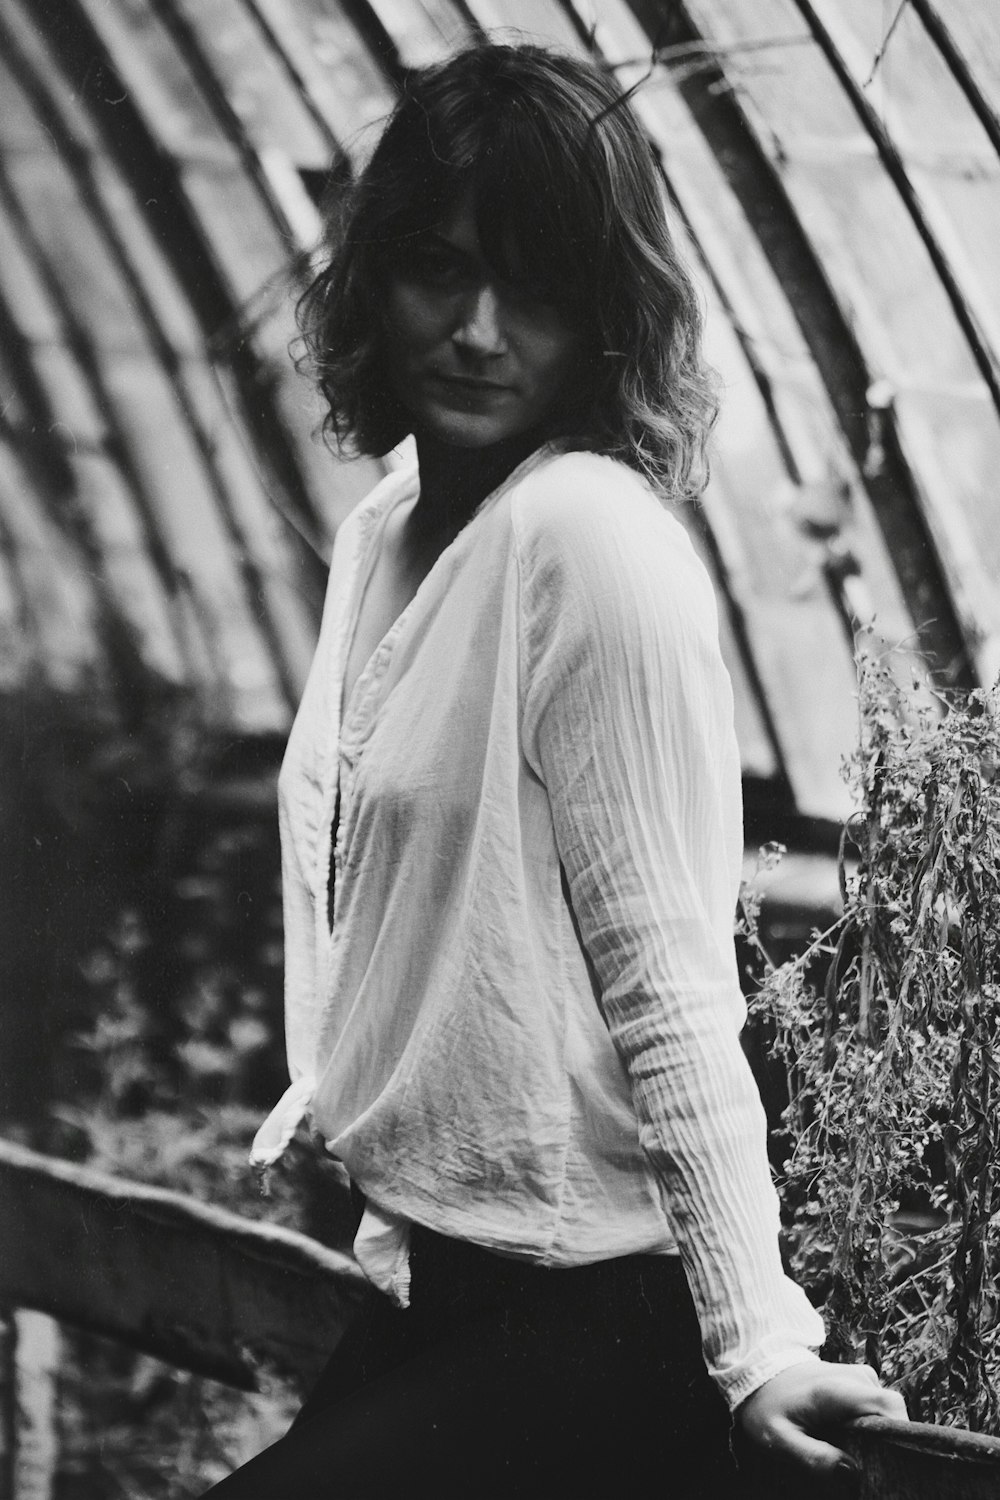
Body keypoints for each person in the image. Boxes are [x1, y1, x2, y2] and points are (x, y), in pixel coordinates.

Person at [205, 41, 905, 1498]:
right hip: (440, 1300)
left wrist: (760, 1343)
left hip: (594, 1330)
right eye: (434, 270)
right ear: (370, 279)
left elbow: (670, 979)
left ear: (604, 320)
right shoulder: (383, 529)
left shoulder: (587, 543)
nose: (473, 330)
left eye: (532, 287)